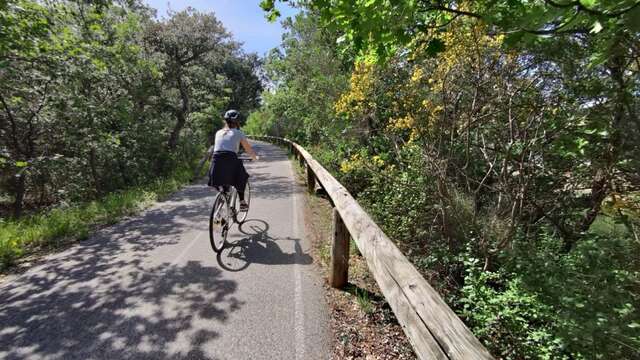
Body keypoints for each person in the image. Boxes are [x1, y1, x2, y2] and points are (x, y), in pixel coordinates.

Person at [194, 109, 258, 211]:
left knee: (224, 186)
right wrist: (255, 158)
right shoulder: (238, 133)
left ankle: (220, 209)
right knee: (242, 177)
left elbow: (220, 148)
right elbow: (248, 149)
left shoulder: (218, 132)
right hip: (230, 159)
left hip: (216, 162)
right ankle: (242, 202)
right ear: (237, 121)